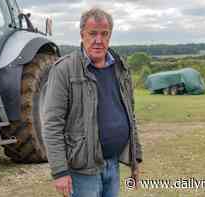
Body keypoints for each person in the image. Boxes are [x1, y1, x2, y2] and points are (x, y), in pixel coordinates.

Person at [42, 7, 143, 197]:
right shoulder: (64, 70)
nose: (99, 40)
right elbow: (52, 124)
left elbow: (131, 115)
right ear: (82, 35)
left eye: (104, 34)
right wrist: (60, 172)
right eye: (93, 34)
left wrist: (135, 159)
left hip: (113, 164)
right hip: (82, 171)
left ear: (110, 36)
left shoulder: (120, 68)